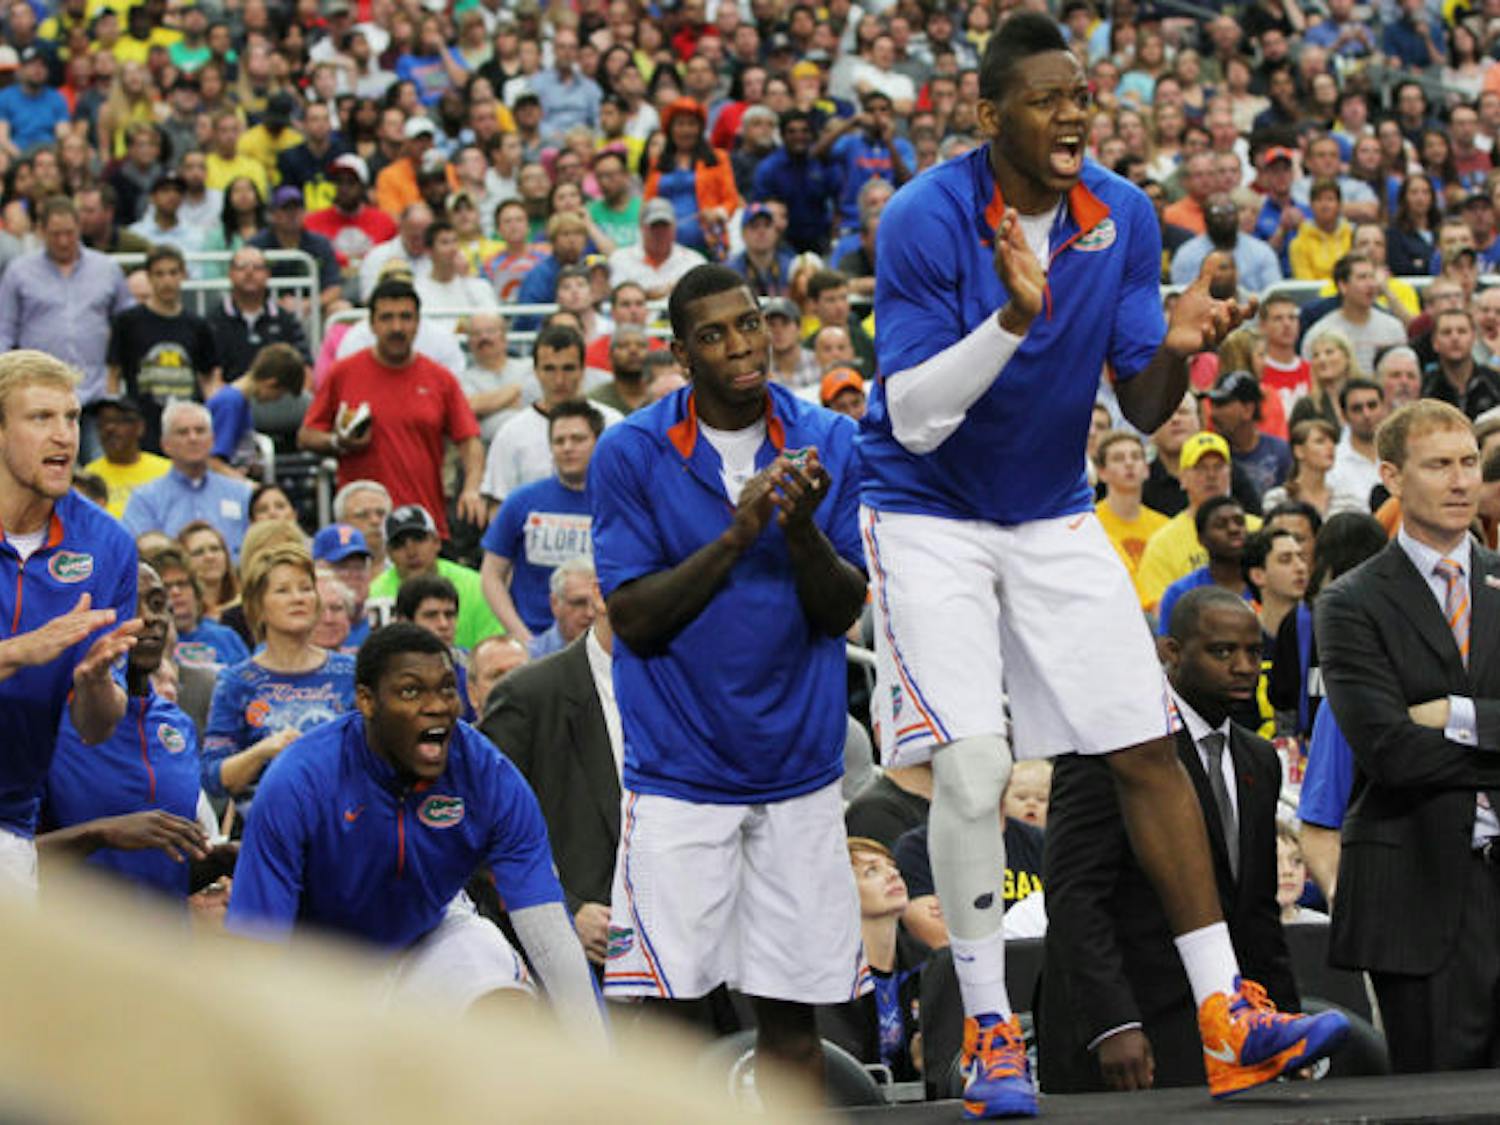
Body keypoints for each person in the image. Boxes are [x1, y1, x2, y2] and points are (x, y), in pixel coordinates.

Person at [862, 17, 1345, 1115]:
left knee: (1148, 747)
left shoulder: (1121, 215)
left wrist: (1176, 347)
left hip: (1049, 507)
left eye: (1081, 95)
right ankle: (989, 1030)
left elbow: (1139, 403)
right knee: (977, 768)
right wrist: (1011, 318)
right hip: (924, 508)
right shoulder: (927, 217)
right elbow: (915, 416)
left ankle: (1228, 1015)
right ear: (988, 116)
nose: (1073, 112)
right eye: (1046, 98)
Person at [593, 264, 868, 1103]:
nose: (741, 345)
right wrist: (740, 532)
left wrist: (797, 531)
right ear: (680, 353)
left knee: (791, 1015)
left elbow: (842, 608)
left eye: (748, 323)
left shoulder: (828, 437)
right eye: (713, 334)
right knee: (665, 1010)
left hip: (798, 769)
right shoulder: (631, 448)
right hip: (680, 772)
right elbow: (635, 616)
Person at [225, 622, 606, 1037]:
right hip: (320, 959)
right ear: (367, 701)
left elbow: (550, 933)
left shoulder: (488, 775)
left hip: (428, 937)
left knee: (498, 991)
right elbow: (256, 950)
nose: (436, 706)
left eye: (446, 689)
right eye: (411, 691)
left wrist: (602, 1065)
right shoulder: (299, 779)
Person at [1038, 589, 1301, 1094]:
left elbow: (1257, 912)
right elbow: (1075, 897)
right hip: (1130, 1024)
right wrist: (1112, 1024)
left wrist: (1283, 1026)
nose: (1244, 667)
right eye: (1222, 652)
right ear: (1171, 652)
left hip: (1223, 1026)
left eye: (1254, 653)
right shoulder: (1108, 747)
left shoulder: (1259, 759)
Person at [1317, 400, 1500, 1073]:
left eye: (1470, 463)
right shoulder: (1350, 601)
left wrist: (1451, 711)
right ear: (1392, 476)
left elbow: (1418, 736)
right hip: (1417, 892)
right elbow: (1388, 751)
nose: (1460, 481)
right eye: (1439, 465)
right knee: (1441, 1100)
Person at [0, 350, 141, 894]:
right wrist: (17, 652)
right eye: (40, 418)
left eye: (71, 418)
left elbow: (95, 726)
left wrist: (95, 682)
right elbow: (24, 654)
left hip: (11, 820)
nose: (63, 435)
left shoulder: (107, 545)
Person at [42, 561, 231, 902]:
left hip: (165, 950)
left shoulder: (178, 724)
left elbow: (164, 879)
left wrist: (219, 861)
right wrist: (100, 834)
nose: (150, 618)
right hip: (68, 948)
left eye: (158, 604)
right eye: (128, 605)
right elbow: (14, 863)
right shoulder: (46, 723)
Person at [478, 577, 621, 968]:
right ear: (601, 596)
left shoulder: (694, 690)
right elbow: (486, 828)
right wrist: (563, 910)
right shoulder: (529, 695)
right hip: (583, 962)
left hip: (692, 953)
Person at [300, 279, 484, 539]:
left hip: (422, 524)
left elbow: (469, 440)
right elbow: (307, 435)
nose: (397, 327)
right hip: (362, 530)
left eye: (405, 317)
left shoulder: (440, 379)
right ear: (372, 324)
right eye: (387, 318)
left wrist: (472, 489)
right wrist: (339, 442)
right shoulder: (343, 373)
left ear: (418, 323)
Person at [202, 543, 357, 808]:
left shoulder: (351, 672)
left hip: (341, 821)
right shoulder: (237, 681)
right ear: (258, 607)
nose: (298, 598)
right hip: (265, 821)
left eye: (306, 588)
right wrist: (264, 751)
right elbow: (214, 777)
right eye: (283, 590)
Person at [480, 402, 598, 649]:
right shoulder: (521, 501)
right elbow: (491, 575)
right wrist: (521, 636)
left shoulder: (619, 504)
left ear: (598, 442)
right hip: (536, 641)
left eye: (577, 439)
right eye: (559, 441)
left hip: (601, 639)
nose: (567, 448)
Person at [0, 196, 134, 410]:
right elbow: (4, 330)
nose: (63, 241)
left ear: (79, 228)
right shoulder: (19, 272)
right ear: (41, 231)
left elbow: (128, 324)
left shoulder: (107, 269)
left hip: (96, 391)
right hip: (38, 390)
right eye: (55, 234)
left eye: (69, 233)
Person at [816, 838, 926, 1083]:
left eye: (891, 866)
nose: (893, 875)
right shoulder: (827, 975)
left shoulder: (925, 964)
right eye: (872, 871)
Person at [480, 324, 622, 510]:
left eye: (568, 368)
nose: (559, 380)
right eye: (549, 369)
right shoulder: (511, 434)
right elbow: (499, 506)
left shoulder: (613, 425)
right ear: (535, 371)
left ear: (583, 369)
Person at [106, 245, 220, 452]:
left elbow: (209, 377)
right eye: (159, 274)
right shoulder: (127, 322)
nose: (167, 281)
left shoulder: (198, 325)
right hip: (143, 425)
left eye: (173, 273)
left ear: (183, 275)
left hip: (186, 428)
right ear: (149, 277)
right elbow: (114, 373)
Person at [1137, 433, 1264, 612]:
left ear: (1230, 473)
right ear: (1182, 478)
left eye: (1218, 467)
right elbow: (1158, 609)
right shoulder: (1163, 543)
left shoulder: (1259, 529)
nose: (1211, 475)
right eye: (1200, 468)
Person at [122, 402, 253, 558]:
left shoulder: (241, 493)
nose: (193, 438)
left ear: (212, 440)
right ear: (165, 445)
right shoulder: (145, 499)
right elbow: (140, 554)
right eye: (183, 432)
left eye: (200, 431)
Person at [367, 504, 502, 653]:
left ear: (436, 542)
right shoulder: (374, 594)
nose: (411, 551)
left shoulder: (477, 586)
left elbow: (494, 646)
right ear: (389, 553)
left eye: (419, 539)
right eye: (399, 544)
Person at [206, 246, 312, 383]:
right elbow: (209, 375)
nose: (249, 272)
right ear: (230, 274)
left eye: (257, 267)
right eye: (242, 267)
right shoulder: (212, 321)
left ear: (268, 274)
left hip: (278, 398)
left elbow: (305, 369)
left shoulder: (285, 320)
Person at [1155, 496, 1251, 637]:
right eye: (1221, 525)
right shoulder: (1181, 592)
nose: (1233, 529)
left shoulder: (1268, 584)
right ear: (1201, 539)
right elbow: (1167, 648)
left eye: (1239, 522)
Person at [1302, 254, 1407, 375]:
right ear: (1343, 286)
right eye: (1362, 278)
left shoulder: (1393, 328)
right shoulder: (1320, 332)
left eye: (1372, 277)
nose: (1371, 284)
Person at [148, 544, 248, 670]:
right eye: (166, 586)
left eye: (182, 584)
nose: (175, 592)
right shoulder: (149, 643)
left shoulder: (226, 637)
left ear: (196, 591)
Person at [1094, 429, 1170, 588]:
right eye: (1118, 458)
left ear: (1146, 469)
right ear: (1102, 472)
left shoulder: (1164, 526)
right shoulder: (1092, 524)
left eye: (1136, 457)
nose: (1129, 463)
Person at [1169, 193, 1280, 293]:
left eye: (1229, 212)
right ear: (1205, 219)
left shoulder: (1262, 252)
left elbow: (1273, 295)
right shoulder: (1186, 254)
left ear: (1237, 217)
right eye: (1217, 213)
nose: (1224, 218)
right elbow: (1182, 298)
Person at [1206, 370, 1290, 499]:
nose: (1213, 413)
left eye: (1221, 404)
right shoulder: (1210, 455)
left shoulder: (1280, 452)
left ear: (1248, 410)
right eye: (1213, 405)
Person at [81, 395, 169, 518]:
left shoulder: (166, 470)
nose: (109, 428)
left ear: (139, 427)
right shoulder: (89, 476)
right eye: (103, 422)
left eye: (118, 421)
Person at [605, 199, 706, 301]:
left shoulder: (693, 262)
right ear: (641, 227)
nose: (660, 233)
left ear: (674, 227)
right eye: (654, 226)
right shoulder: (620, 260)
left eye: (665, 226)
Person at [461, 313, 538, 444]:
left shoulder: (530, 366)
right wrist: (515, 390)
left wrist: (489, 407)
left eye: (490, 331)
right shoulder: (463, 378)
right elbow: (470, 407)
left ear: (504, 337)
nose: (483, 337)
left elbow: (541, 401)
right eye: (476, 333)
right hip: (488, 447)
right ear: (469, 342)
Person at [1423, 308, 1500, 421]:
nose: (1455, 338)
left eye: (1462, 331)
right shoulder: (1425, 387)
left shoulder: (1494, 382)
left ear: (1474, 338)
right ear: (1435, 342)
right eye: (1446, 332)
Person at [1325, 378, 1387, 511]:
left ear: (1384, 407)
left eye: (1372, 405)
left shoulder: (1400, 456)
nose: (1366, 414)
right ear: (1343, 415)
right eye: (1357, 409)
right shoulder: (1332, 462)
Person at [310, 524, 375, 650]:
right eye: (341, 567)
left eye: (359, 567)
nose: (353, 575)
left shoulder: (383, 621)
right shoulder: (301, 626)